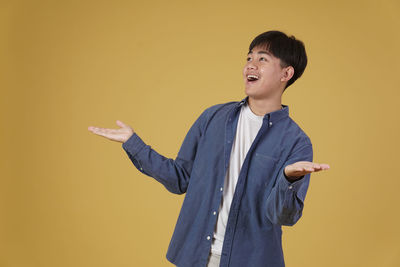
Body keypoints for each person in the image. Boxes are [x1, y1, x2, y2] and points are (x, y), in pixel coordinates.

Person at [88, 30, 330, 267]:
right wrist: (134, 144)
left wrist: (289, 178)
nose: (250, 65)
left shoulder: (296, 142)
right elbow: (179, 179)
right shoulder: (213, 117)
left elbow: (283, 217)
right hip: (195, 255)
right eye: (249, 58)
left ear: (286, 73)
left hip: (252, 260)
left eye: (262, 59)